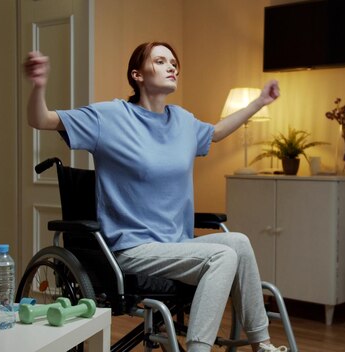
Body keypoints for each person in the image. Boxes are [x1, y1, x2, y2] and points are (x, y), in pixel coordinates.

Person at [24, 42, 286, 352]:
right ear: (137, 75)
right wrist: (38, 86)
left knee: (239, 243)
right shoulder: (109, 117)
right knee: (222, 255)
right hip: (133, 248)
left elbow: (215, 133)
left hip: (176, 245)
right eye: (160, 61)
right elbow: (41, 120)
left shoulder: (183, 120)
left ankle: (262, 345)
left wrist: (259, 102)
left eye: (174, 62)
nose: (172, 67)